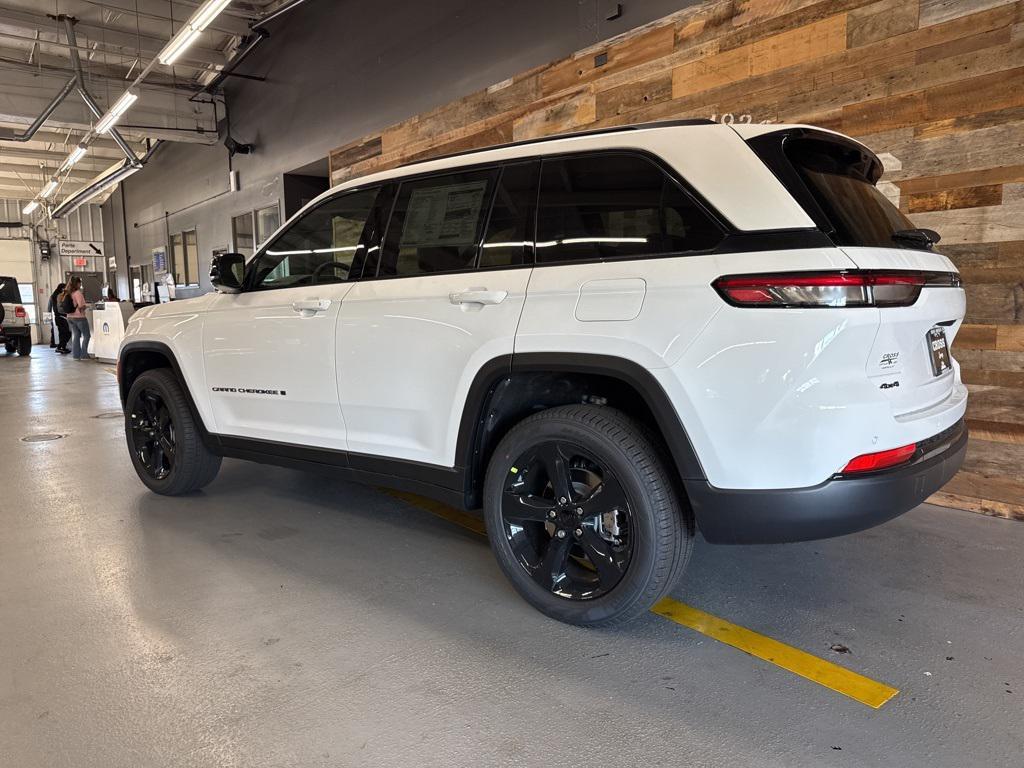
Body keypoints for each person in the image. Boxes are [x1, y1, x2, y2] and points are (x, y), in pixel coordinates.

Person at [64, 277, 91, 360]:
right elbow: (81, 307)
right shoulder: (78, 293)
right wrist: (87, 306)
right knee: (87, 335)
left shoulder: (68, 293)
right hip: (79, 318)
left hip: (70, 317)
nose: (81, 285)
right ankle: (84, 354)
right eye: (80, 283)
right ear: (77, 284)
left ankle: (76, 355)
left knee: (76, 335)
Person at [48, 283, 70, 354]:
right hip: (61, 317)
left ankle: (62, 347)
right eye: (65, 288)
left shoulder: (53, 295)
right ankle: (60, 347)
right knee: (66, 333)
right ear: (62, 288)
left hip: (58, 317)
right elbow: (60, 307)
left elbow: (49, 307)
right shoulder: (59, 296)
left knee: (63, 333)